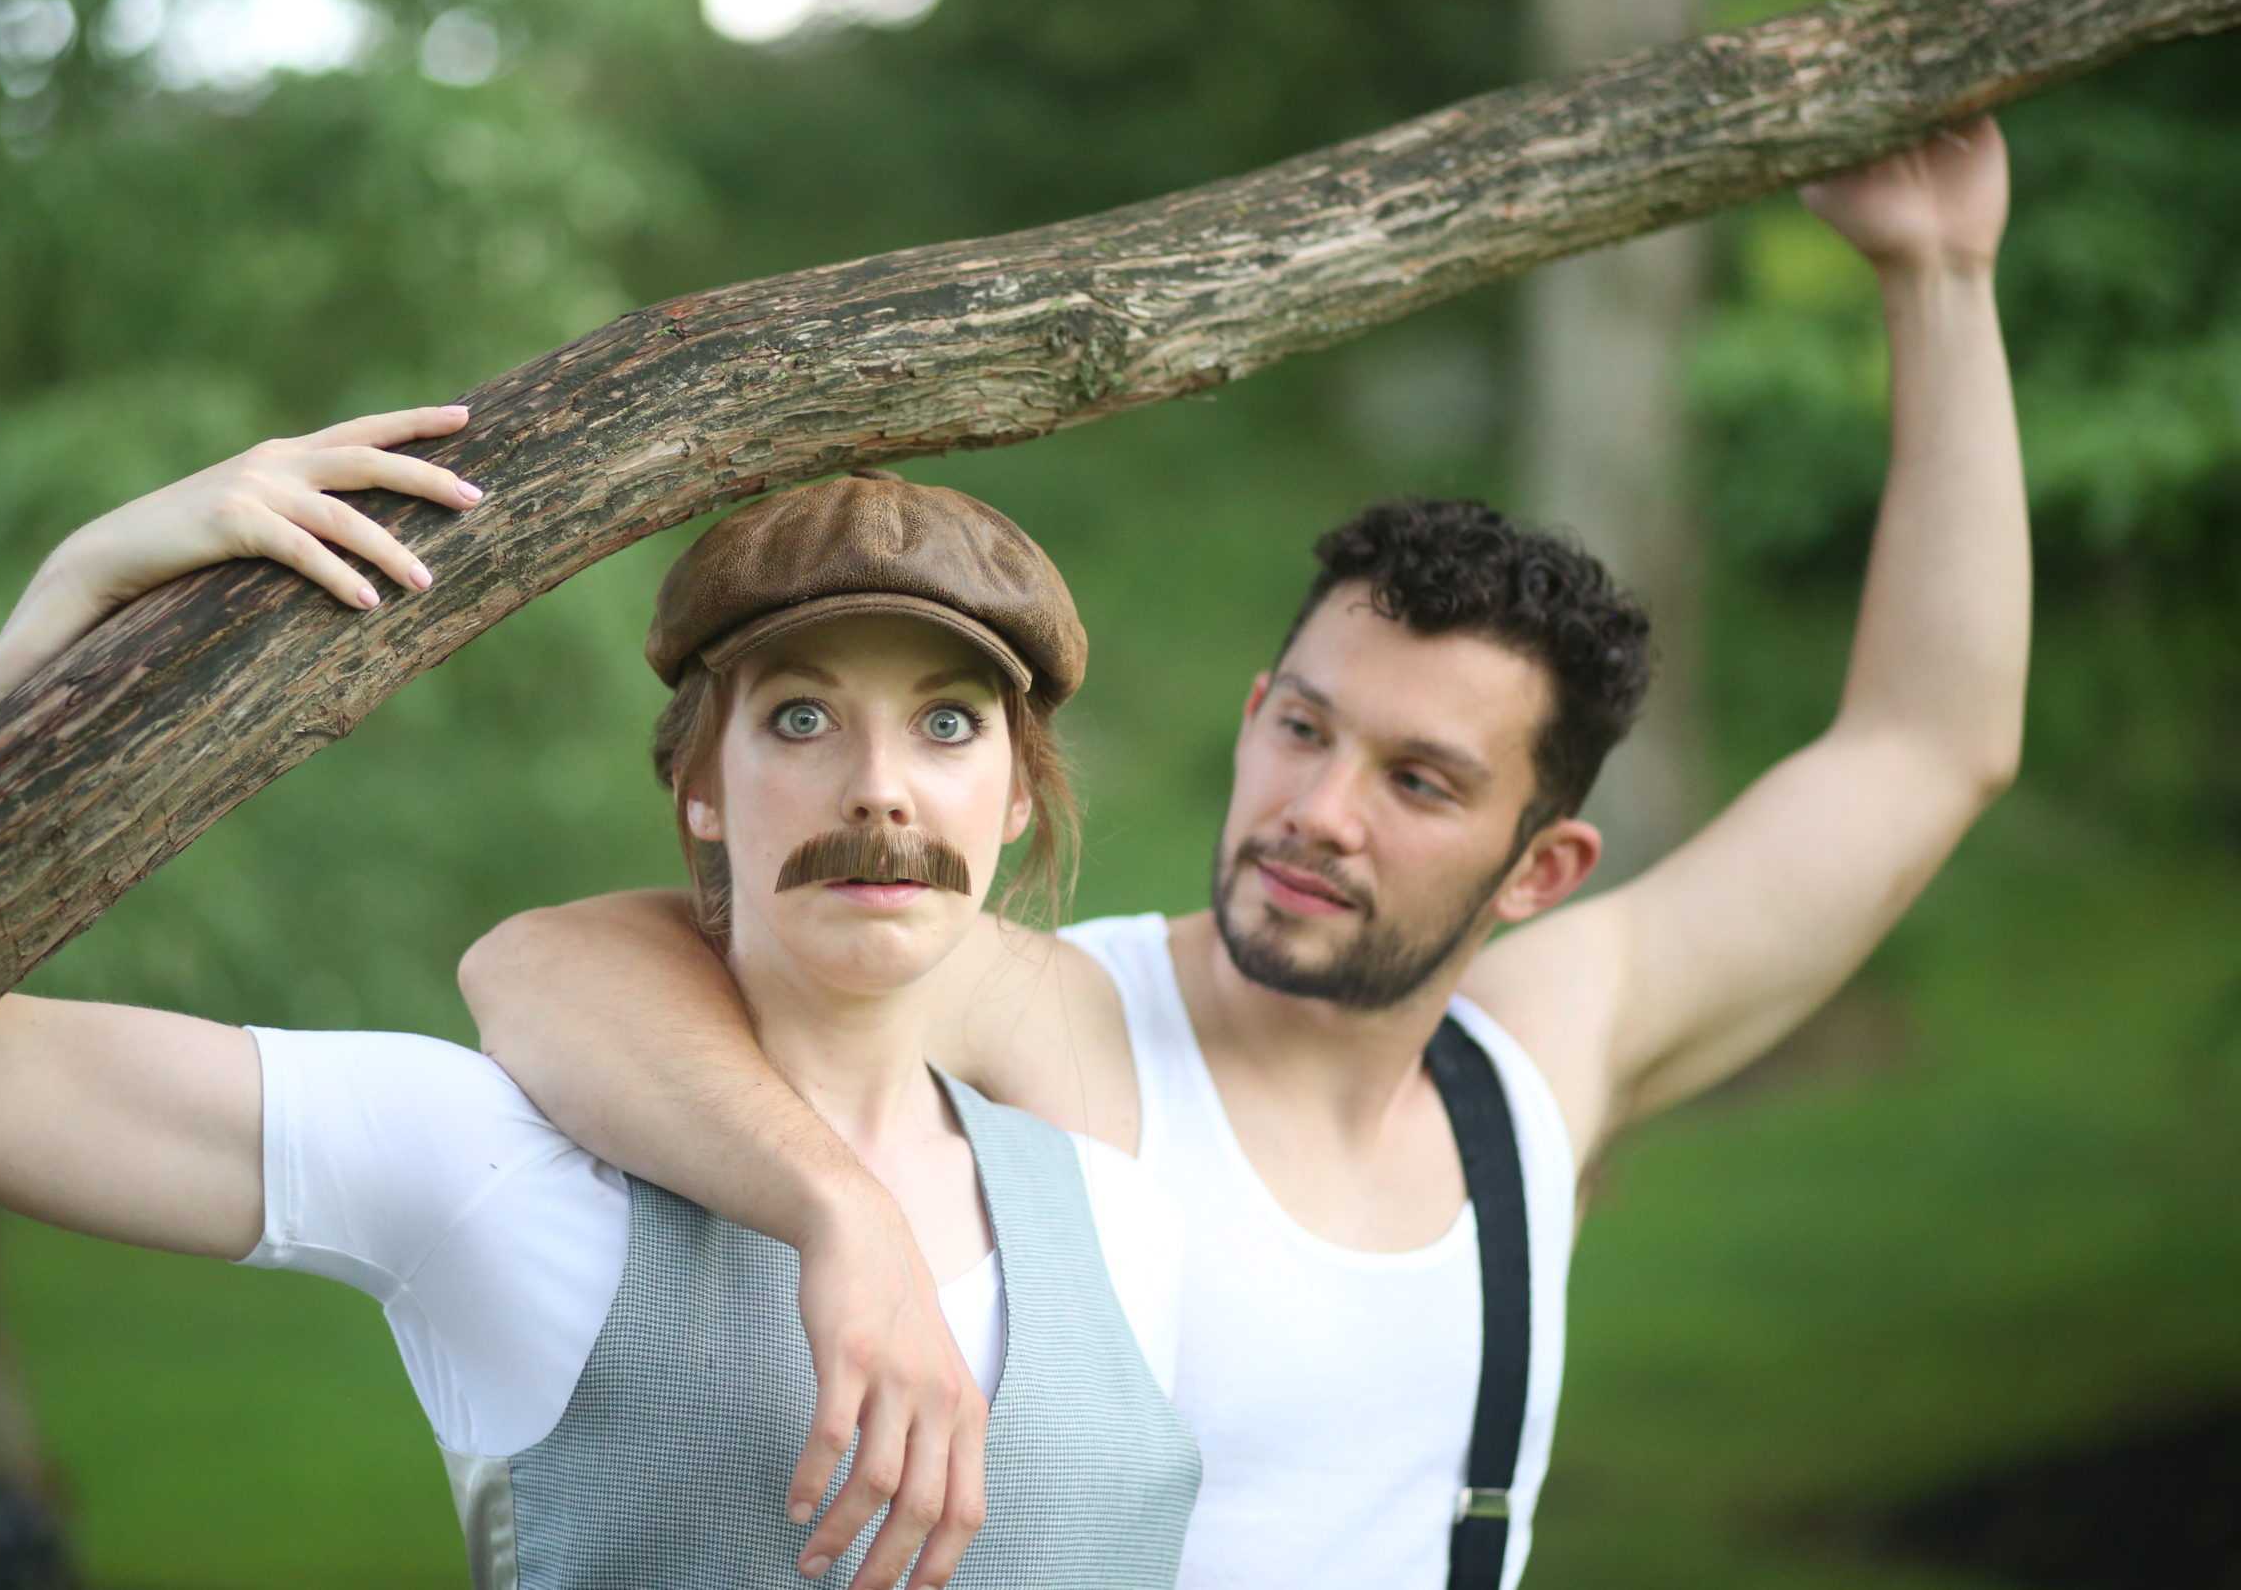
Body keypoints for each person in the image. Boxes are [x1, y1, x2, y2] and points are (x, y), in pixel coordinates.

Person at [457, 116, 2028, 1589]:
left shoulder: (1536, 1067)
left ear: (1538, 873)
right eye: (1306, 730)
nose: (1318, 809)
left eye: (1417, 781)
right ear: (1255, 711)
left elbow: (1923, 750)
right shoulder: (1061, 1018)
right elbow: (550, 967)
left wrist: (1941, 273)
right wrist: (837, 1209)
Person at [0, 425, 1202, 1588]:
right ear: (700, 792)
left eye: (948, 723)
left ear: (1016, 800)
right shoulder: (492, 1164)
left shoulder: (1122, 1210)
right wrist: (80, 581)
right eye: (801, 718)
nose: (879, 788)